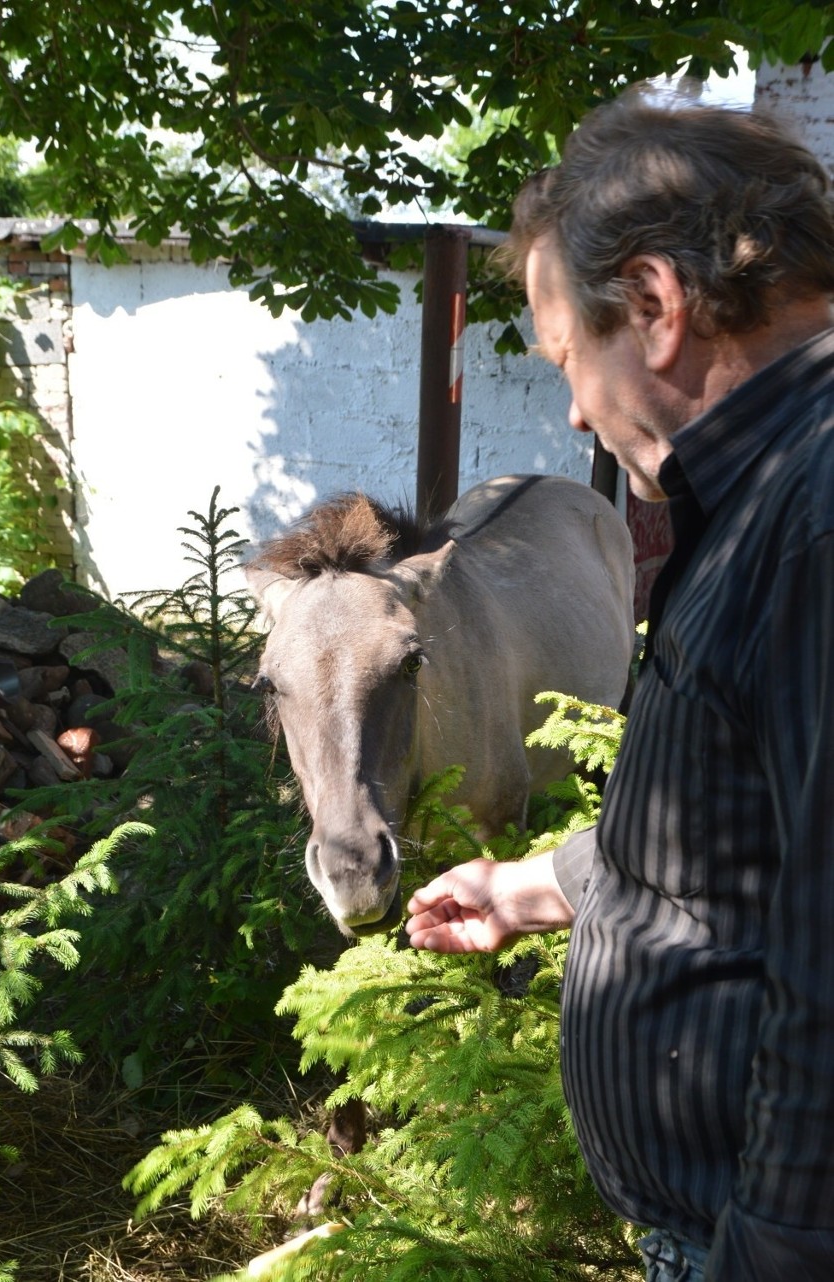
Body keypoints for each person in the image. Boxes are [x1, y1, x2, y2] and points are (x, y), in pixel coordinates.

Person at [405, 83, 834, 1281]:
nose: (571, 401)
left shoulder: (817, 518)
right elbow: (754, 827)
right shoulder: (767, 494)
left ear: (652, 304)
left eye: (562, 356)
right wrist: (535, 884)